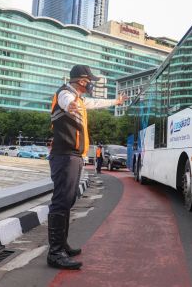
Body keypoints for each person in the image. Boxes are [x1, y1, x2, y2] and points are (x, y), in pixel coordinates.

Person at [47, 65, 126, 270]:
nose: (92, 84)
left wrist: (116, 101)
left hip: (73, 156)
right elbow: (65, 102)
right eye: (90, 81)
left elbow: (95, 102)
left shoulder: (80, 100)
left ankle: (61, 245)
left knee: (68, 200)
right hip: (64, 155)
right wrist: (70, 105)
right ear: (82, 81)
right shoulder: (65, 94)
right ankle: (55, 253)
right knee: (61, 201)